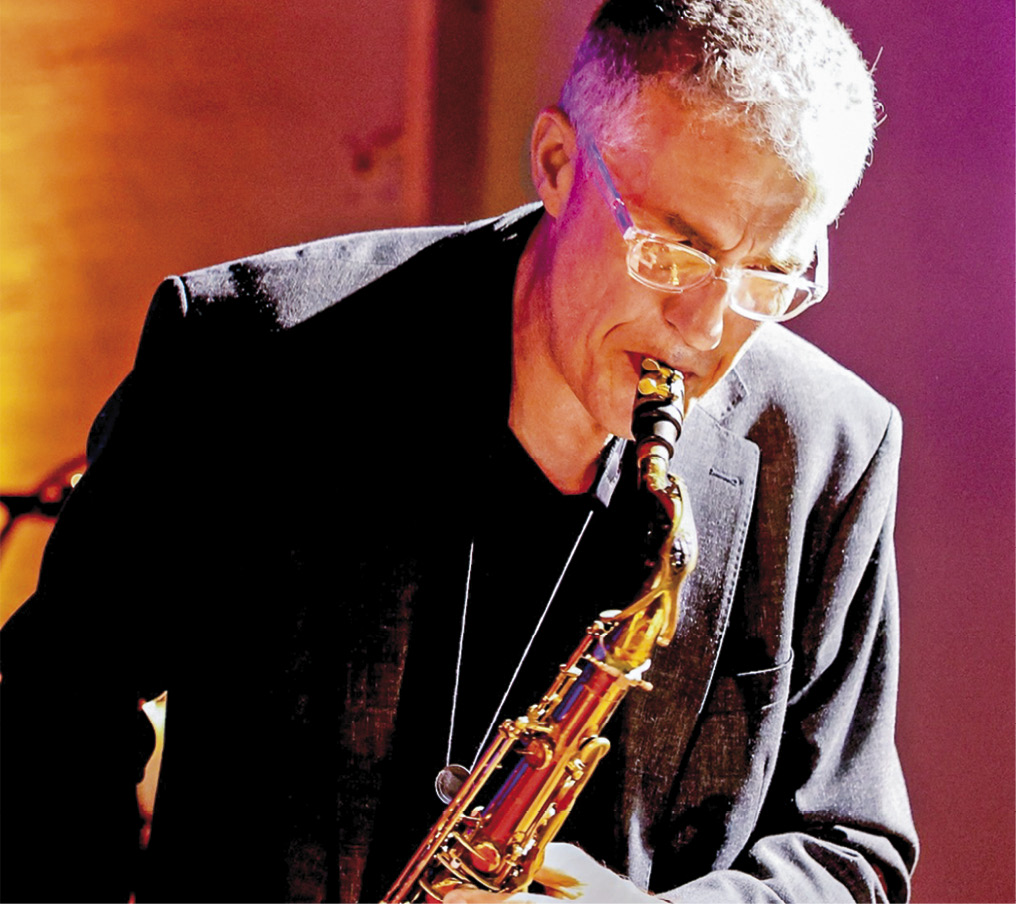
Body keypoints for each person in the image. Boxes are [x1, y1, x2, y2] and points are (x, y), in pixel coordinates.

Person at [0, 1, 918, 901]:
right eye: (673, 252)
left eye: (768, 276)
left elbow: (850, 847)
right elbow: (50, 708)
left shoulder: (831, 450)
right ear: (558, 163)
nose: (707, 331)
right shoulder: (248, 357)